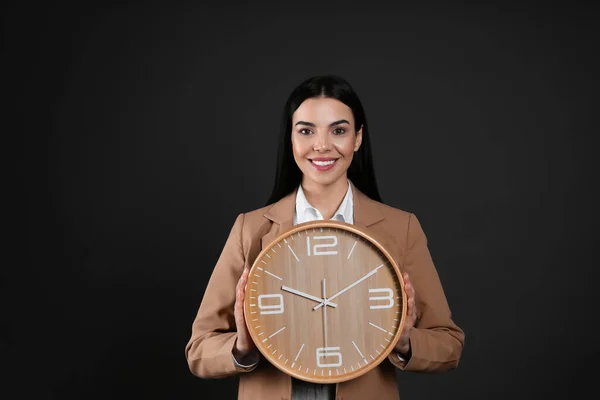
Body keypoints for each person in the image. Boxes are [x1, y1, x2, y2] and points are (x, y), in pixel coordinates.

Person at [185, 75, 465, 400]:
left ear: (358, 138)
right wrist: (243, 346)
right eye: (306, 130)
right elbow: (198, 351)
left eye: (339, 130)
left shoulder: (400, 228)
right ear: (290, 139)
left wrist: (402, 341)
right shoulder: (250, 229)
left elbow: (449, 344)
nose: (322, 145)